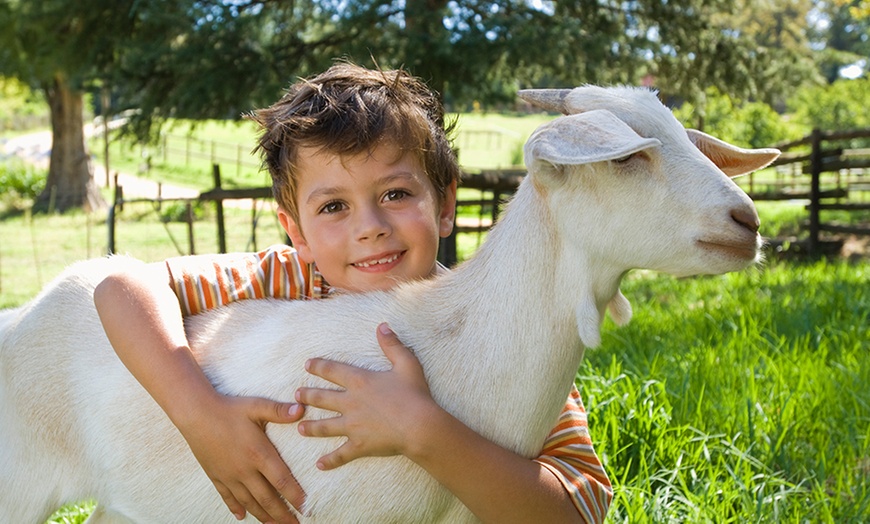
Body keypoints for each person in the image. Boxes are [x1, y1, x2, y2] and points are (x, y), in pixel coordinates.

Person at [94, 62, 612, 524]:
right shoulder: (289, 279)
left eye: (396, 193)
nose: (370, 227)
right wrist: (202, 417)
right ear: (296, 231)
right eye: (333, 207)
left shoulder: (501, 333)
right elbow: (122, 288)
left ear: (446, 202)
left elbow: (575, 512)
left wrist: (422, 431)